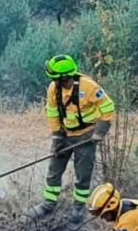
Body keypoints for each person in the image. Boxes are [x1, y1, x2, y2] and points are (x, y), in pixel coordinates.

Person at [27, 55, 116, 219]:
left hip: (86, 137)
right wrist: (57, 135)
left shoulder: (89, 87)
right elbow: (52, 113)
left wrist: (99, 132)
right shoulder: (53, 88)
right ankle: (48, 203)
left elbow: (108, 108)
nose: (52, 80)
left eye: (54, 77)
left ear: (64, 77)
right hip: (65, 134)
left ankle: (78, 208)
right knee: (54, 169)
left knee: (83, 174)